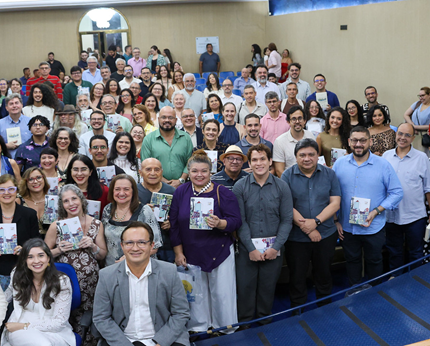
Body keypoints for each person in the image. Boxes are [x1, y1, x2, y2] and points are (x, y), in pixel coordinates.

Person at [169, 151, 241, 331]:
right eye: (194, 171)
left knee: (222, 294)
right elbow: (174, 223)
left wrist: (220, 223)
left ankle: (225, 328)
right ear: (188, 171)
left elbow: (236, 220)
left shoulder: (222, 192)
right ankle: (199, 328)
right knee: (196, 294)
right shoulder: (180, 192)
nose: (199, 175)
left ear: (211, 172)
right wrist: (178, 252)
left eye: (203, 171)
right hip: (191, 252)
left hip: (219, 250)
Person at [94, 221, 190, 346]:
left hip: (164, 338)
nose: (135, 248)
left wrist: (161, 342)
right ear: (122, 246)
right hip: (123, 340)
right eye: (129, 243)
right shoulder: (107, 276)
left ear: (152, 245)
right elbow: (101, 318)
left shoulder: (169, 272)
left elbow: (181, 313)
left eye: (141, 242)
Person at [333, 127, 404, 290]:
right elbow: (332, 193)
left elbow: (397, 192)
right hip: (348, 228)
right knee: (352, 261)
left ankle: (375, 294)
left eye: (363, 140)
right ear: (349, 142)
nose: (359, 144)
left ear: (370, 141)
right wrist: (335, 220)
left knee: (375, 261)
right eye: (355, 140)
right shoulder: (339, 164)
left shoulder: (383, 165)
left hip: (374, 226)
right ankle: (354, 292)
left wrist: (377, 211)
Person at [233, 143, 292, 324]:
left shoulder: (282, 187)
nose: (259, 163)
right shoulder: (239, 187)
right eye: (255, 160)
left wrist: (275, 248)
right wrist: (250, 248)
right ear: (249, 163)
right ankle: (245, 327)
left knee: (267, 290)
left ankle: (265, 326)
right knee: (245, 290)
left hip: (273, 251)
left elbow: (287, 220)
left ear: (270, 161)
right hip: (246, 251)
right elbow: (239, 221)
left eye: (262, 159)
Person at [279, 139, 341, 310]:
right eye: (302, 155)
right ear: (296, 157)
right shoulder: (287, 175)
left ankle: (325, 308)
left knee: (324, 274)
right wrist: (307, 228)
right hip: (296, 238)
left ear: (317, 156)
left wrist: (316, 222)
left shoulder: (329, 174)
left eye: (311, 154)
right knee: (297, 276)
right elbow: (286, 206)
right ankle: (297, 311)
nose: (307, 158)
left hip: (325, 234)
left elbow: (335, 203)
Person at [44, 184, 107, 344]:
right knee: (64, 321)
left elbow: (102, 254)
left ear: (81, 200)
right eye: (66, 201)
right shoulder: (56, 226)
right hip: (63, 285)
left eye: (74, 198)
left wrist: (93, 246)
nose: (71, 203)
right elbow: (42, 256)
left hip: (91, 285)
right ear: (62, 205)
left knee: (88, 324)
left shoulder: (96, 224)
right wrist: (59, 249)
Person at [384, 123, 430, 272]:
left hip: (415, 216)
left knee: (415, 252)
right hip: (391, 215)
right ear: (395, 134)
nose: (403, 138)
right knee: (394, 252)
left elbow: (429, 187)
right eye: (400, 133)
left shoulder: (422, 158)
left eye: (407, 135)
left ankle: (416, 281)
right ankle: (395, 282)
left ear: (413, 138)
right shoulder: (386, 156)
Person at [0, 238, 75, 346]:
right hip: (19, 327)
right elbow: (9, 292)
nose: (36, 261)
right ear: (24, 260)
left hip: (53, 331)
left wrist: (24, 325)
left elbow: (59, 323)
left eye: (41, 255)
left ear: (48, 258)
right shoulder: (17, 274)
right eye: (30, 257)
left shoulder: (62, 281)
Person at [0, 175, 41, 290]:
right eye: (1, 190)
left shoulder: (29, 214)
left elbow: (36, 242)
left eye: (11, 189)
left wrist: (25, 250)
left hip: (23, 268)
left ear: (16, 191)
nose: (6, 193)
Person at [101, 174, 162, 266]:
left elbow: (155, 245)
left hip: (139, 266)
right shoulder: (107, 210)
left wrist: (128, 257)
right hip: (112, 267)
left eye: (126, 189)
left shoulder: (144, 211)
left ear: (133, 191)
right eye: (117, 189)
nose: (121, 193)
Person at [141, 107, 194, 187]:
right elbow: (145, 164)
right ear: (158, 119)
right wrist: (163, 181)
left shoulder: (185, 138)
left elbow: (190, 161)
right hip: (156, 187)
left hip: (182, 186)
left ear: (176, 120)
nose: (167, 120)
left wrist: (181, 180)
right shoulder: (148, 139)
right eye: (163, 117)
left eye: (170, 117)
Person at [272, 106, 316, 175]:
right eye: (294, 119)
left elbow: (314, 160)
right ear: (288, 122)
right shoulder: (279, 141)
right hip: (290, 182)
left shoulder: (310, 136)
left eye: (300, 118)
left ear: (305, 121)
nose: (297, 122)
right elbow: (279, 170)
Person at [403, 87, 430, 152]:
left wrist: (416, 127)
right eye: (419, 96)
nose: (421, 98)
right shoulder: (418, 104)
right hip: (411, 135)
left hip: (422, 138)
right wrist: (412, 126)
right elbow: (406, 114)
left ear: (429, 95)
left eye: (423, 95)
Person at [18, 167, 53, 233]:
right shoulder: (19, 201)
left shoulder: (53, 200)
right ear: (26, 182)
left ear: (44, 179)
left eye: (39, 178)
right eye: (31, 179)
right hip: (27, 242)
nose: (35, 181)